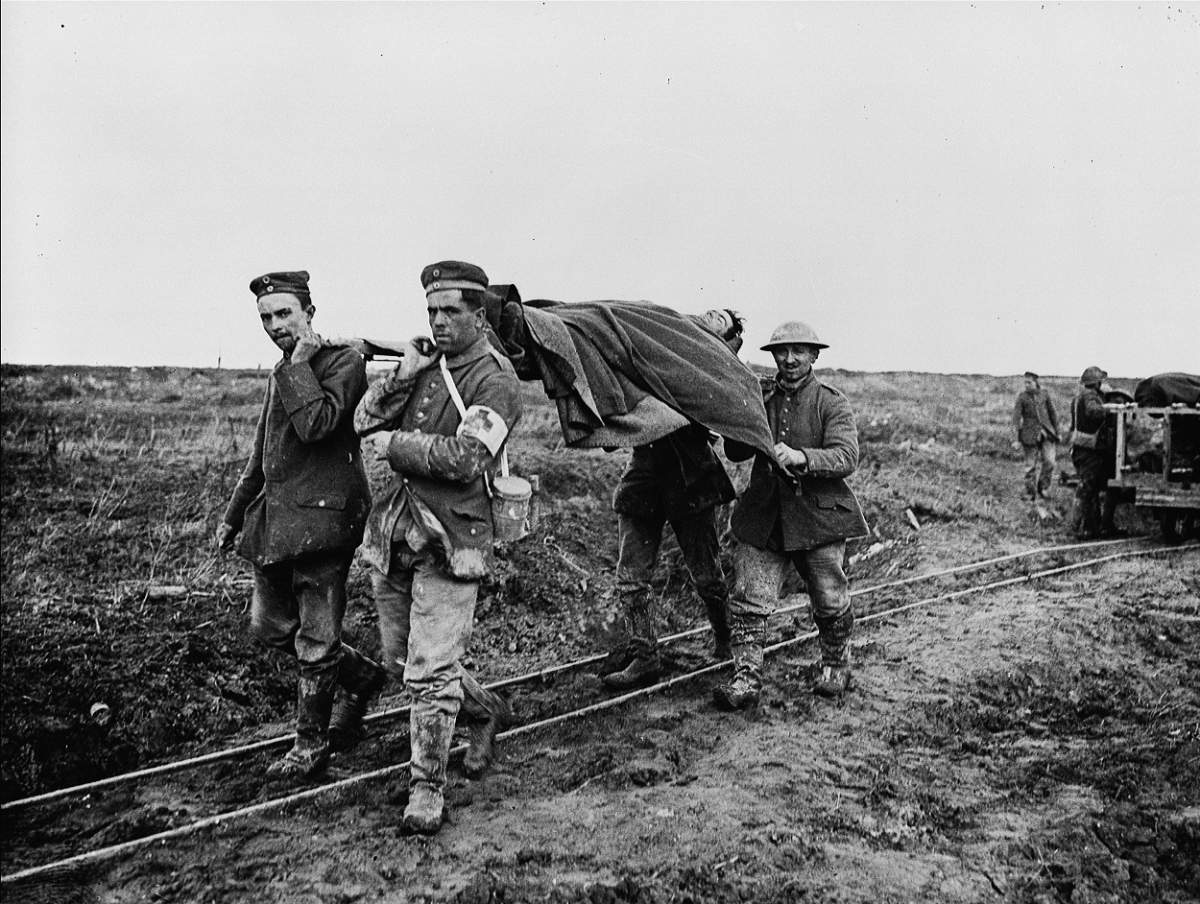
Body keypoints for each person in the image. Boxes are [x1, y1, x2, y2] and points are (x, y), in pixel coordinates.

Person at [353, 261, 523, 835]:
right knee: (404, 662)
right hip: (397, 534)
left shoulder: (494, 378)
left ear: (479, 315)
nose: (439, 321)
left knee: (428, 672)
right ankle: (484, 710)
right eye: (431, 310)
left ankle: (426, 788)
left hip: (454, 542)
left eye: (452, 311)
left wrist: (394, 445)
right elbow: (362, 419)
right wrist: (403, 375)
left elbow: (467, 457)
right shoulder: (429, 365)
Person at [218, 271, 384, 780]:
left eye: (284, 313)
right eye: (266, 317)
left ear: (309, 313)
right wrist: (232, 515)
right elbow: (262, 455)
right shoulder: (282, 371)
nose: (274, 325)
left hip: (327, 520)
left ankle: (309, 746)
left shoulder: (344, 363)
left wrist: (299, 363)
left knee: (315, 637)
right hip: (277, 520)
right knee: (268, 627)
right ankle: (360, 676)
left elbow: (317, 425)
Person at [716, 320, 869, 709]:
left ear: (814, 355)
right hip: (764, 515)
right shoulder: (760, 397)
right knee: (750, 599)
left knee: (829, 597)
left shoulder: (831, 402)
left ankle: (836, 664)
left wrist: (803, 457)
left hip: (817, 518)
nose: (789, 358)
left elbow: (846, 456)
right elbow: (736, 453)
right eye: (781, 351)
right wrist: (738, 416)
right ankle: (745, 677)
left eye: (798, 350)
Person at [600, 311, 746, 690]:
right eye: (707, 311)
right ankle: (644, 657)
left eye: (719, 319)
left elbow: (735, 433)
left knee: (706, 575)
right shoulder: (658, 355)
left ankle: (726, 638)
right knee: (631, 577)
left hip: (692, 481)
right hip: (644, 479)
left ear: (728, 338)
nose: (707, 316)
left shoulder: (718, 371)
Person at [1069, 365, 1121, 539]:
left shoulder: (1078, 397)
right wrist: (1108, 407)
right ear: (1097, 383)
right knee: (1088, 489)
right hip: (1089, 451)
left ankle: (1092, 527)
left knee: (1090, 489)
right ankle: (1082, 528)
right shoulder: (1090, 396)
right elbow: (1093, 412)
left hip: (1081, 449)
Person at [1012, 371, 1060, 500]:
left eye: (1029, 382)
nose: (1027, 385)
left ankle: (1043, 488)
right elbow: (1016, 419)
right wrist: (1015, 439)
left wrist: (1057, 432)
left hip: (1047, 434)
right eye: (1025, 383)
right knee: (1030, 467)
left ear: (1036, 382)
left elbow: (1053, 414)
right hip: (1029, 436)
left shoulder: (1044, 394)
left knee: (1050, 462)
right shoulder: (1022, 397)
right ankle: (1030, 492)